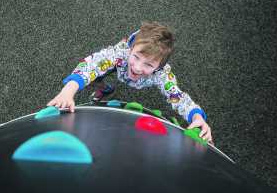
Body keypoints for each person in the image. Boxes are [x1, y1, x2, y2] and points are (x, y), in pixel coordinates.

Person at [47, 21, 213, 142]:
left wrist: (197, 116)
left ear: (159, 66)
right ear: (131, 49)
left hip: (136, 63)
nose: (138, 67)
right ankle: (105, 89)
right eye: (137, 57)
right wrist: (68, 90)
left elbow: (177, 96)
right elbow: (91, 65)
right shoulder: (120, 54)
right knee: (93, 77)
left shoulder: (162, 74)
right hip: (119, 66)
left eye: (149, 64)